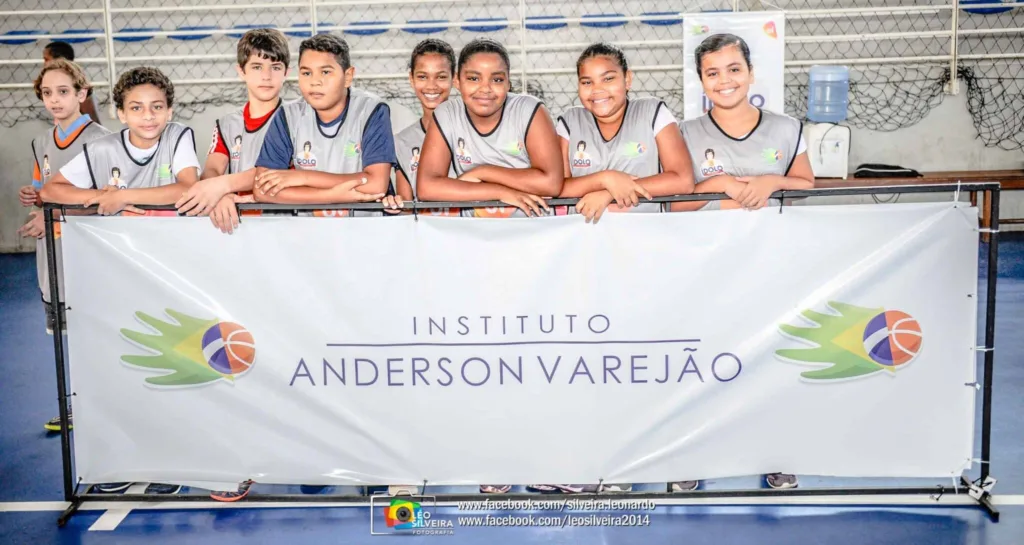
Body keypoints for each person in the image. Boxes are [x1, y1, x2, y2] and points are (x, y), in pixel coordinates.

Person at [40, 66, 200, 496]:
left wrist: (123, 196)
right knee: (121, 367)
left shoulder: (179, 137)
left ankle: (170, 461)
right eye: (136, 108)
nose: (148, 117)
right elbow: (51, 191)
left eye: (157, 108)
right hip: (115, 274)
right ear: (119, 112)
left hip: (168, 272)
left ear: (169, 110)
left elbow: (183, 188)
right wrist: (99, 198)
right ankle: (122, 460)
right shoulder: (103, 149)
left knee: (167, 366)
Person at [670, 33, 814, 492]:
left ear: (751, 73)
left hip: (770, 264)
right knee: (701, 364)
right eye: (712, 73)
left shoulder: (787, 127)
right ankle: (690, 456)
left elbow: (806, 185)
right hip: (705, 268)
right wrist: (722, 187)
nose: (725, 80)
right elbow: (673, 204)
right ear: (700, 81)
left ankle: (776, 453)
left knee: (769, 360)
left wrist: (772, 180)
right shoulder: (684, 133)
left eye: (734, 69)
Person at [17, 59, 111, 433]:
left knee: (96, 337)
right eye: (46, 93)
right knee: (67, 339)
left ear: (82, 94)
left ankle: (101, 406)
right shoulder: (41, 141)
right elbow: (46, 191)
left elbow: (105, 199)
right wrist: (36, 197)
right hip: (52, 255)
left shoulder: (101, 140)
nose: (54, 100)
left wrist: (55, 213)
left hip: (86, 254)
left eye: (63, 92)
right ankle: (76, 406)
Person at [416, 38, 563, 220]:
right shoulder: (447, 114)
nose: (485, 89)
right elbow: (427, 187)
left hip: (530, 228)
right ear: (457, 81)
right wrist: (500, 192)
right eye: (474, 78)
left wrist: (483, 172)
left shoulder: (529, 110)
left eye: (497, 79)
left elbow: (551, 183)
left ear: (508, 83)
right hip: (475, 233)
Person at [250, 34, 392, 213]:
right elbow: (263, 190)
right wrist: (332, 196)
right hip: (308, 234)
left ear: (348, 76)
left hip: (361, 231)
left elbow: (375, 185)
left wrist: (303, 177)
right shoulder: (288, 115)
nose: (315, 81)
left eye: (325, 72)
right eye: (306, 73)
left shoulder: (371, 110)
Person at [555, 42, 694, 224]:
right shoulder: (570, 122)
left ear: (627, 79)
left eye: (608, 79)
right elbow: (556, 187)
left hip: (644, 236)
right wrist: (605, 179)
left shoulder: (653, 112)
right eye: (587, 82)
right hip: (585, 239)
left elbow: (683, 180)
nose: (597, 90)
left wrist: (608, 194)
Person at [175, 28, 291, 233]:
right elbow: (212, 170)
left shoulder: (296, 118)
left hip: (286, 220)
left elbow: (275, 174)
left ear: (286, 73)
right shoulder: (227, 124)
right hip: (239, 223)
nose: (266, 76)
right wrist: (217, 193)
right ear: (241, 71)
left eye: (275, 67)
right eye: (257, 67)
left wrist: (223, 187)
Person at [386, 38, 460, 217]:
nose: (431, 86)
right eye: (422, 76)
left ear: (454, 78)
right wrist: (395, 204)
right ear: (411, 79)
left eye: (441, 77)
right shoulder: (401, 142)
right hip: (426, 237)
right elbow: (406, 204)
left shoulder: (470, 131)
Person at [43, 41, 102, 125]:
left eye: (46, 59)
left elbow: (94, 121)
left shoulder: (78, 84)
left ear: (59, 60)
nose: (44, 63)